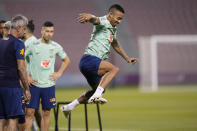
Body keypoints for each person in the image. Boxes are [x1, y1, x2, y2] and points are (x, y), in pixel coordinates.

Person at [61, 4, 137, 118]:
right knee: (114, 69)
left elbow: (115, 44)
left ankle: (68, 107)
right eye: (118, 18)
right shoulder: (104, 21)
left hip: (89, 63)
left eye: (121, 19)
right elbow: (95, 20)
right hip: (90, 59)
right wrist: (90, 17)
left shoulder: (112, 29)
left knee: (99, 89)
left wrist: (127, 58)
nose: (120, 21)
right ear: (111, 15)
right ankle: (96, 95)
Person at [25, 21, 70, 131]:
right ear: (42, 31)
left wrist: (59, 73)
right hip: (34, 85)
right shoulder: (32, 45)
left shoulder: (56, 46)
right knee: (29, 112)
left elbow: (66, 60)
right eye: (47, 31)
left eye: (51, 31)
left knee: (46, 113)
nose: (49, 34)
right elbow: (21, 58)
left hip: (49, 85)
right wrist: (27, 76)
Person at [0, 15, 31, 131]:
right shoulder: (18, 43)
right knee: (12, 118)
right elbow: (21, 68)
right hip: (11, 87)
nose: (25, 31)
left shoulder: (1, 41)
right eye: (24, 28)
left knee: (1, 119)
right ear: (18, 28)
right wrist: (27, 89)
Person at [23, 20, 42, 131]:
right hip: (36, 81)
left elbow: (22, 62)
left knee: (28, 111)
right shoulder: (36, 41)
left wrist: (28, 77)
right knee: (34, 111)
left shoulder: (28, 44)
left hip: (31, 82)